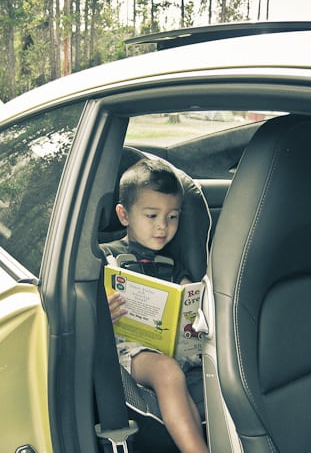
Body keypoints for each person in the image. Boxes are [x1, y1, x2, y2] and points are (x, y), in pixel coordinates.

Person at [101, 158, 209, 453]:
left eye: (172, 216)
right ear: (124, 215)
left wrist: (193, 299)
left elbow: (191, 297)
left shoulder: (172, 265)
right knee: (167, 371)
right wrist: (102, 314)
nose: (163, 226)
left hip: (176, 348)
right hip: (128, 350)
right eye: (152, 215)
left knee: (188, 366)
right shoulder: (106, 257)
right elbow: (85, 307)